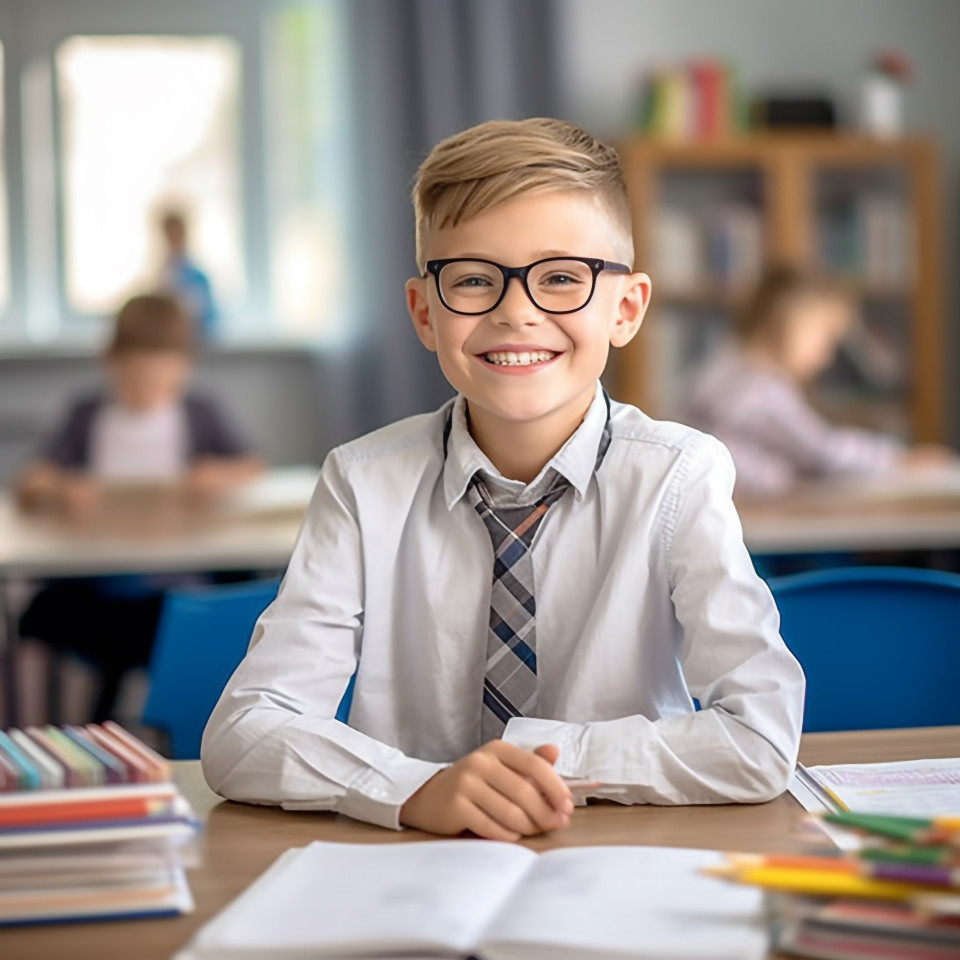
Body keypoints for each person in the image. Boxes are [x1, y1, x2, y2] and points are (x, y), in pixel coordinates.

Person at [202, 118, 805, 841]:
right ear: (425, 312)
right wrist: (416, 788)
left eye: (559, 277)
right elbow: (243, 733)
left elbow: (761, 740)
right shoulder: (362, 484)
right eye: (473, 280)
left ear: (626, 307)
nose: (516, 311)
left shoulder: (679, 476)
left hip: (621, 856)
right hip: (415, 866)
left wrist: (540, 758)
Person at [16, 293, 263, 720]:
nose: (146, 393)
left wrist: (214, 476)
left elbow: (251, 465)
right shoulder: (88, 415)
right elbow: (31, 481)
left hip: (178, 583)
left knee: (211, 616)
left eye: (160, 383)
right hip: (100, 585)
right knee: (68, 619)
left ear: (184, 368)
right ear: (109, 363)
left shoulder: (199, 413)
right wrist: (62, 487)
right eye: (134, 382)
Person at [683, 265, 951, 499]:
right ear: (788, 322)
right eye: (824, 337)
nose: (827, 355)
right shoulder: (760, 389)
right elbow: (825, 451)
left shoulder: (721, 369)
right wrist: (901, 460)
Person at [157, 210, 218, 340]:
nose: (173, 239)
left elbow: (206, 316)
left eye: (176, 234)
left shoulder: (197, 276)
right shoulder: (163, 273)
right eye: (169, 234)